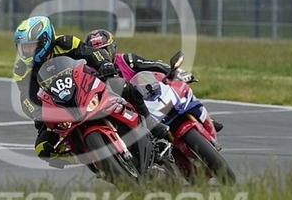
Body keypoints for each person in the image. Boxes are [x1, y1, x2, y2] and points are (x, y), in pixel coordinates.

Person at [12, 16, 170, 165]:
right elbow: (26, 98)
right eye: (23, 48)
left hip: (84, 85)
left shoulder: (66, 43)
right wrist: (37, 112)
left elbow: (92, 53)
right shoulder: (22, 69)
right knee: (42, 148)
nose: (27, 51)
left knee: (122, 86)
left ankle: (150, 124)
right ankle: (88, 160)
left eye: (30, 46)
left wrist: (104, 64)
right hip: (58, 103)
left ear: (45, 40)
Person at [84, 28, 223, 132]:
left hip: (147, 98)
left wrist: (177, 72)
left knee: (179, 89)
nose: (102, 55)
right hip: (124, 112)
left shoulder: (127, 60)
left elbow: (154, 64)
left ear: (113, 47)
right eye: (96, 52)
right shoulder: (89, 73)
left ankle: (205, 117)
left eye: (105, 50)